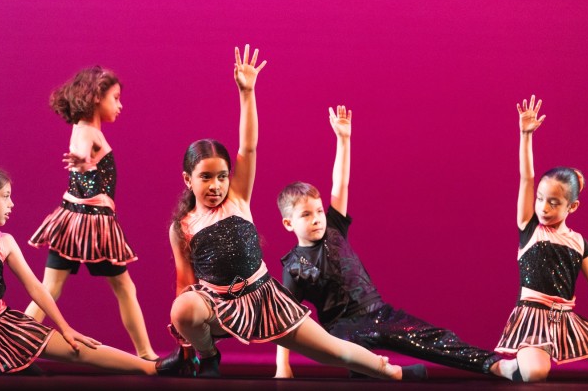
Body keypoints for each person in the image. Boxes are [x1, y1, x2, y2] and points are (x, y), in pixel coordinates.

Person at [167, 45, 427, 380]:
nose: (216, 185)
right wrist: (187, 339)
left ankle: (393, 373)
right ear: (188, 180)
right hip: (217, 307)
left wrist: (247, 93)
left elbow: (249, 146)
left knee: (336, 352)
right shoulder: (183, 226)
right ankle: (208, 356)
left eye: (221, 176)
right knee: (183, 308)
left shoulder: (238, 198)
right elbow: (184, 283)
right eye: (206, 178)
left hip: (264, 299)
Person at [275, 105, 518, 380]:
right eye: (306, 215)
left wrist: (343, 140)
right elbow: (287, 320)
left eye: (318, 211)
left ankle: (496, 365)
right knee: (357, 359)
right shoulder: (295, 265)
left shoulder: (334, 227)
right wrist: (283, 366)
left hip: (378, 311)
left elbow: (339, 185)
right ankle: (398, 374)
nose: (317, 218)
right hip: (342, 328)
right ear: (288, 223)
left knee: (433, 338)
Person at [0, 131, 187, 374]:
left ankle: (151, 367)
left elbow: (36, 287)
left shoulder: (4, 241)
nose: (12, 204)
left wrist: (65, 327)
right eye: (5, 196)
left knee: (75, 348)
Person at [494, 95, 588, 382]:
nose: (544, 208)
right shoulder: (530, 227)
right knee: (535, 372)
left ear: (571, 207)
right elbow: (527, 177)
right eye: (540, 199)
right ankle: (507, 367)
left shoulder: (578, 243)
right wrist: (526, 135)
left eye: (553, 203)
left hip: (566, 321)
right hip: (532, 319)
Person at [27, 66, 156, 361]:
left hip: (74, 220)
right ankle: (147, 354)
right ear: (97, 96)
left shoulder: (86, 130)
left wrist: (85, 163)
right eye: (116, 98)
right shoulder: (87, 132)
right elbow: (83, 154)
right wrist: (83, 163)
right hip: (90, 225)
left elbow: (85, 155)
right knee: (124, 287)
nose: (120, 105)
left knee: (51, 289)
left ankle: (16, 348)